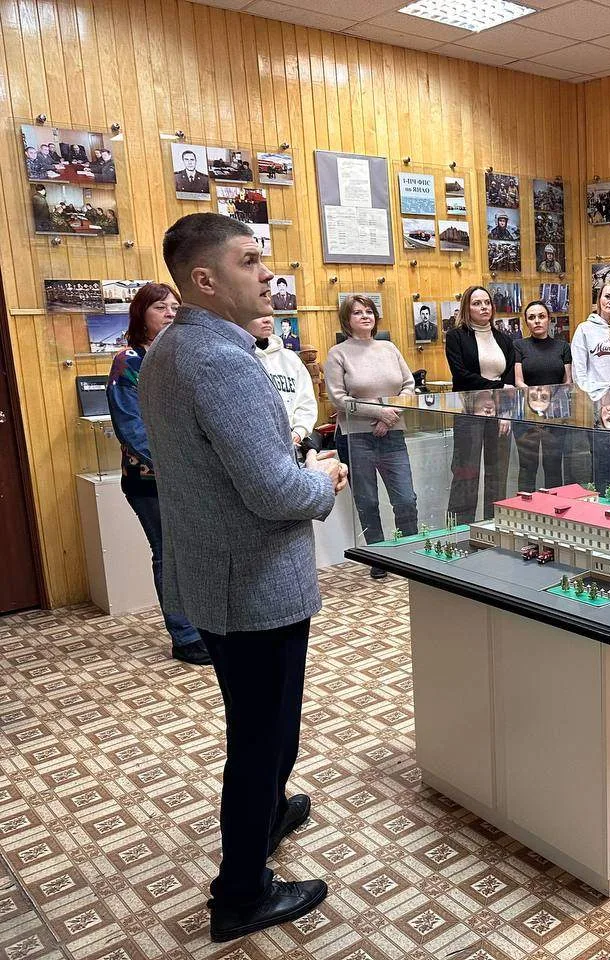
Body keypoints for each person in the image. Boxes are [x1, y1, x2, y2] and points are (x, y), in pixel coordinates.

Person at [140, 213, 346, 941]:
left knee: (261, 727)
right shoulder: (221, 360)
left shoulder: (173, 348)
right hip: (252, 586)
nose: (266, 273)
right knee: (262, 736)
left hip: (219, 577)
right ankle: (241, 894)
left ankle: (269, 813)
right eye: (250, 260)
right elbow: (274, 491)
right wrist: (321, 479)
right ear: (204, 279)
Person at [105, 282, 208, 665]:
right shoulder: (129, 361)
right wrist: (175, 463)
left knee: (194, 552)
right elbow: (130, 426)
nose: (169, 313)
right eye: (160, 307)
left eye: (175, 307)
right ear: (141, 314)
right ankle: (184, 636)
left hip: (192, 475)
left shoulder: (182, 356)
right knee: (168, 553)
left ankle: (202, 625)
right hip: (149, 479)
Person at [324, 295, 418, 577]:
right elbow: (338, 399)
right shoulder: (337, 353)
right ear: (347, 319)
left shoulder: (389, 348)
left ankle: (410, 553)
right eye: (357, 312)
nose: (365, 316)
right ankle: (379, 557)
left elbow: (409, 386)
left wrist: (389, 418)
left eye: (369, 311)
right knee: (368, 502)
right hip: (355, 438)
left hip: (393, 433)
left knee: (405, 499)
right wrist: (379, 413)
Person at [445, 285, 516, 521]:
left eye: (487, 302)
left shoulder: (504, 339)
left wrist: (505, 412)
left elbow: (509, 381)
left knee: (498, 474)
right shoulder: (456, 337)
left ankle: (494, 524)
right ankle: (461, 528)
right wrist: (497, 387)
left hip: (499, 415)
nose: (484, 307)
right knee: (466, 473)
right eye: (477, 303)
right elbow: (461, 375)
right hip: (468, 413)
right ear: (467, 308)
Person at [513, 299, 572, 491]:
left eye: (541, 316)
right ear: (526, 322)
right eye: (532, 317)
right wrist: (536, 405)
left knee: (553, 465)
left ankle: (554, 507)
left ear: (549, 319)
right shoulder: (519, 346)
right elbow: (518, 381)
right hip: (527, 415)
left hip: (556, 415)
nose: (537, 320)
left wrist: (551, 405)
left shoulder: (562, 347)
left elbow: (567, 382)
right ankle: (525, 506)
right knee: (527, 466)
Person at [250, 316, 317, 448]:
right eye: (258, 316)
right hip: (258, 445)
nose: (267, 320)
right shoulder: (240, 358)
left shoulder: (290, 358)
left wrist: (299, 431)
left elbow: (306, 400)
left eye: (269, 315)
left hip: (294, 443)